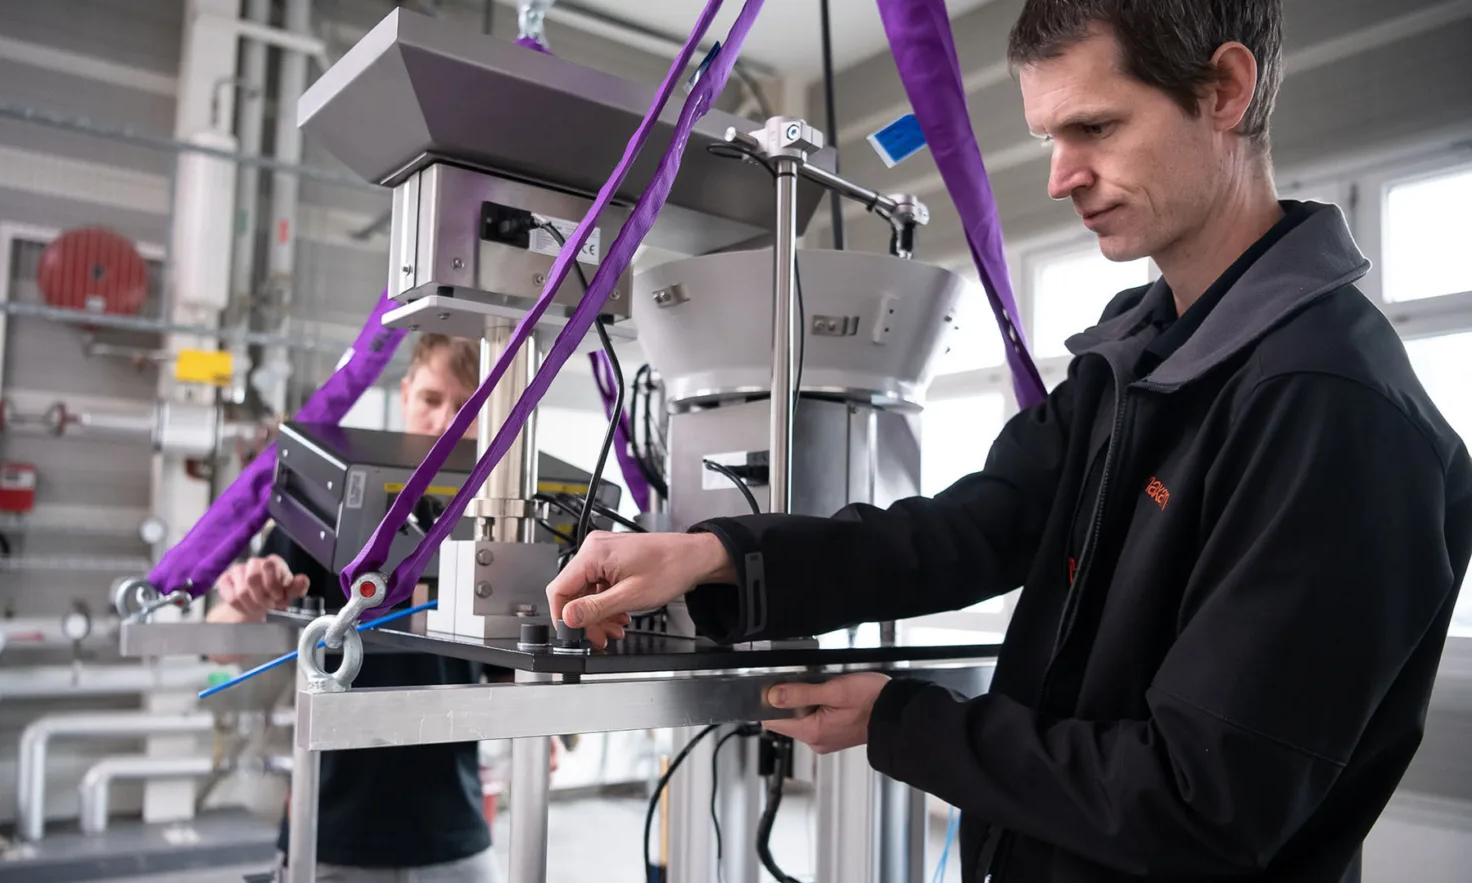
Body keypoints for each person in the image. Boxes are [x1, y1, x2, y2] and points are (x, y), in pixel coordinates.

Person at [546, 3, 1472, 882]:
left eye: (1096, 129)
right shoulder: (1141, 349)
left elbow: (1204, 800)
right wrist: (713, 555)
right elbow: (971, 529)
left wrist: (905, 721)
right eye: (1049, 139)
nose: (1060, 177)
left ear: (1224, 90)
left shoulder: (1333, 410)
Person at [210, 333, 507, 883]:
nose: (444, 423)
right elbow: (220, 643)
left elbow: (508, 665)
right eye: (432, 399)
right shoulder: (331, 506)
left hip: (454, 836)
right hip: (330, 836)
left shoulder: (496, 523)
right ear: (404, 394)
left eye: (466, 407)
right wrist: (252, 601)